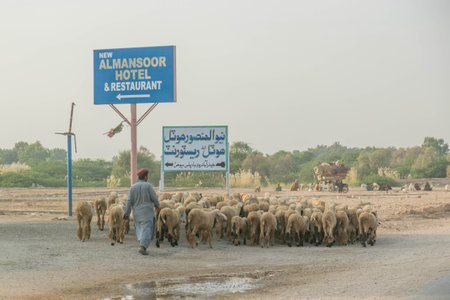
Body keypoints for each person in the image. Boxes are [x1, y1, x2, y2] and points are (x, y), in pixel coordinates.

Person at [123, 168, 160, 255]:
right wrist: (157, 205)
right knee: (147, 229)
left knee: (140, 228)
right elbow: (154, 197)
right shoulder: (148, 186)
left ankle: (142, 243)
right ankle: (142, 246)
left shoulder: (133, 187)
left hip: (136, 213)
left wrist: (126, 212)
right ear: (146, 177)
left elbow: (129, 201)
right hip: (147, 212)